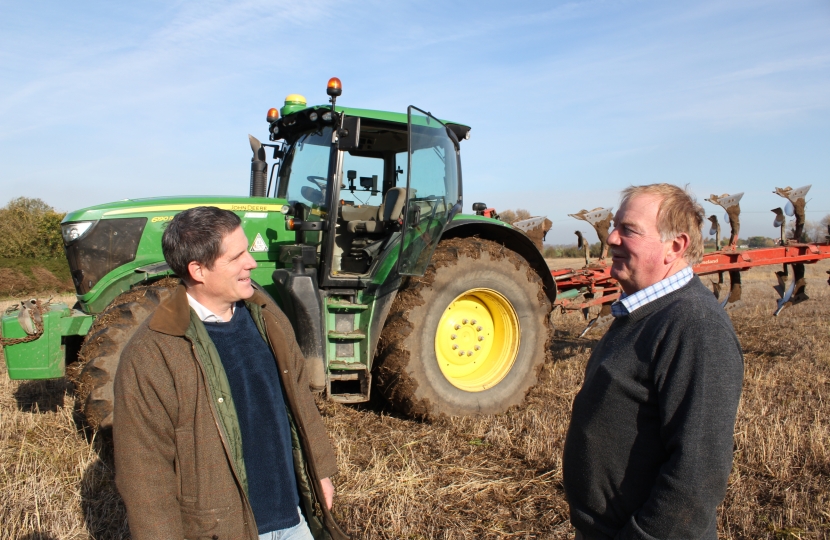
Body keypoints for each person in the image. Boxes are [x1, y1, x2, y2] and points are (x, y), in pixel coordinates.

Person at [113, 206, 348, 540]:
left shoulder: (267, 315)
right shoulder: (152, 354)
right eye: (236, 256)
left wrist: (320, 474)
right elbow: (144, 476)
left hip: (293, 519)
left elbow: (300, 401)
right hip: (220, 530)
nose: (251, 263)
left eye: (247, 251)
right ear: (198, 270)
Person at [562, 184, 744, 539]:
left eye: (628, 229)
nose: (612, 237)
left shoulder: (694, 325)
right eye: (615, 226)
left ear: (675, 246)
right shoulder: (641, 313)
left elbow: (697, 475)